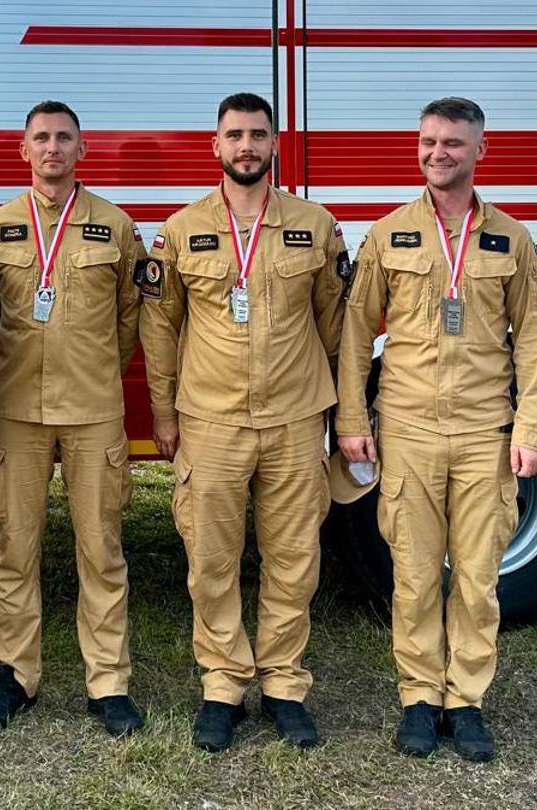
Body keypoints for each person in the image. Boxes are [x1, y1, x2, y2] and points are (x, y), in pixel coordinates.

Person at [336, 96, 537, 763]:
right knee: (413, 574)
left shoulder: (510, 239)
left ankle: (466, 701)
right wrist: (352, 419)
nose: (438, 153)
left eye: (453, 143)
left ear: (480, 150)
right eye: (429, 141)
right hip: (407, 432)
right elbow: (355, 333)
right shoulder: (389, 234)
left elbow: (533, 338)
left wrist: (532, 428)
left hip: (486, 432)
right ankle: (419, 699)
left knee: (478, 577)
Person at [139, 92, 351, 752]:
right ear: (216, 145)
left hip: (295, 417)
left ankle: (284, 683)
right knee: (210, 557)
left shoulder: (315, 226)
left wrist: (342, 408)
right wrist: (164, 411)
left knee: (294, 558)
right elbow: (159, 327)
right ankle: (224, 682)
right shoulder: (181, 230)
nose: (246, 146)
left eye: (258, 134)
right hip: (211, 419)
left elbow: (337, 324)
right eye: (234, 135)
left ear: (275, 143)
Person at [0, 100, 146, 737]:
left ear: (82, 149)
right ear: (23, 150)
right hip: (17, 410)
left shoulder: (115, 226)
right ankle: (15, 675)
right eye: (40, 138)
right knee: (15, 549)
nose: (52, 148)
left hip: (93, 411)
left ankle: (109, 682)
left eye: (64, 137)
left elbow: (130, 318)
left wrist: (92, 366)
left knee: (102, 549)